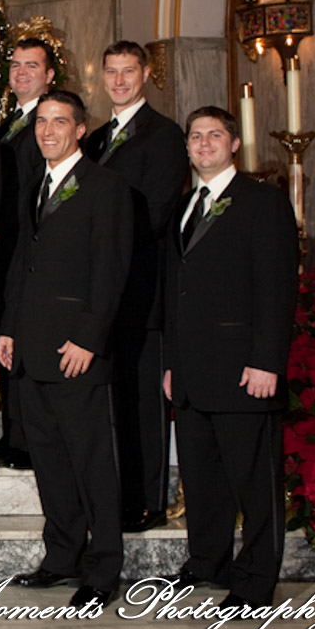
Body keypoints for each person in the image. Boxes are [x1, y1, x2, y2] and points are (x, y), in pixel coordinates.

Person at [0, 90, 133, 609]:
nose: (48, 131)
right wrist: (9, 327)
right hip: (32, 348)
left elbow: (111, 270)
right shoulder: (35, 184)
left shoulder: (105, 187)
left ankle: (104, 568)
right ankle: (62, 557)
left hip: (76, 349)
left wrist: (88, 339)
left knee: (92, 462)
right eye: (41, 123)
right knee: (50, 462)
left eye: (59, 122)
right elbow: (21, 265)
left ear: (81, 129)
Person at [164, 106, 297, 609]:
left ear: (234, 144)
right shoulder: (184, 206)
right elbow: (176, 292)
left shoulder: (262, 202)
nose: (203, 145)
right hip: (194, 373)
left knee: (253, 482)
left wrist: (267, 361)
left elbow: (277, 289)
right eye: (195, 137)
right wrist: (173, 364)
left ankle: (257, 579)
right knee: (202, 478)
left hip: (246, 371)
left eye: (213, 136)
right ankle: (207, 562)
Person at [84, 40, 189, 533]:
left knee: (143, 400)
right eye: (112, 72)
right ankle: (117, 493)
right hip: (101, 291)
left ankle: (147, 499)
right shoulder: (97, 137)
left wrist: (104, 252)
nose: (120, 80)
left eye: (129, 71)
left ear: (145, 74)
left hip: (140, 287)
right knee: (111, 398)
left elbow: (157, 210)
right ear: (101, 77)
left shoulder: (165, 135)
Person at [0, 38, 57, 470]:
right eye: (15, 65)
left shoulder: (47, 124)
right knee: (5, 343)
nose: (21, 73)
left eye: (32, 66)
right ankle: (13, 433)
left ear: (49, 76)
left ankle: (28, 440)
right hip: (0, 251)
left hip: (20, 245)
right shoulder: (10, 121)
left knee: (22, 344)